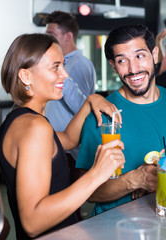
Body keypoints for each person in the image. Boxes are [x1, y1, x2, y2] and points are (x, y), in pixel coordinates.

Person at [0, 33, 124, 239]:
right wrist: (97, 174)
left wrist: (89, 102)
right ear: (26, 76)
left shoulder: (17, 121)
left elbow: (67, 139)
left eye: (63, 65)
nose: (65, 74)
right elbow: (32, 221)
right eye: (55, 67)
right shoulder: (35, 127)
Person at [75, 24, 166, 215]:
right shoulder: (102, 115)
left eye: (140, 56)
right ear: (113, 65)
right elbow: (87, 192)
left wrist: (160, 178)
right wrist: (133, 180)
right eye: (122, 61)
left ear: (154, 55)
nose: (133, 69)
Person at [44, 11, 96, 161]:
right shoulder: (63, 63)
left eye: (51, 35)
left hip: (69, 152)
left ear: (68, 37)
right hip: (56, 145)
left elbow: (83, 107)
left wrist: (57, 71)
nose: (47, 40)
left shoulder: (79, 64)